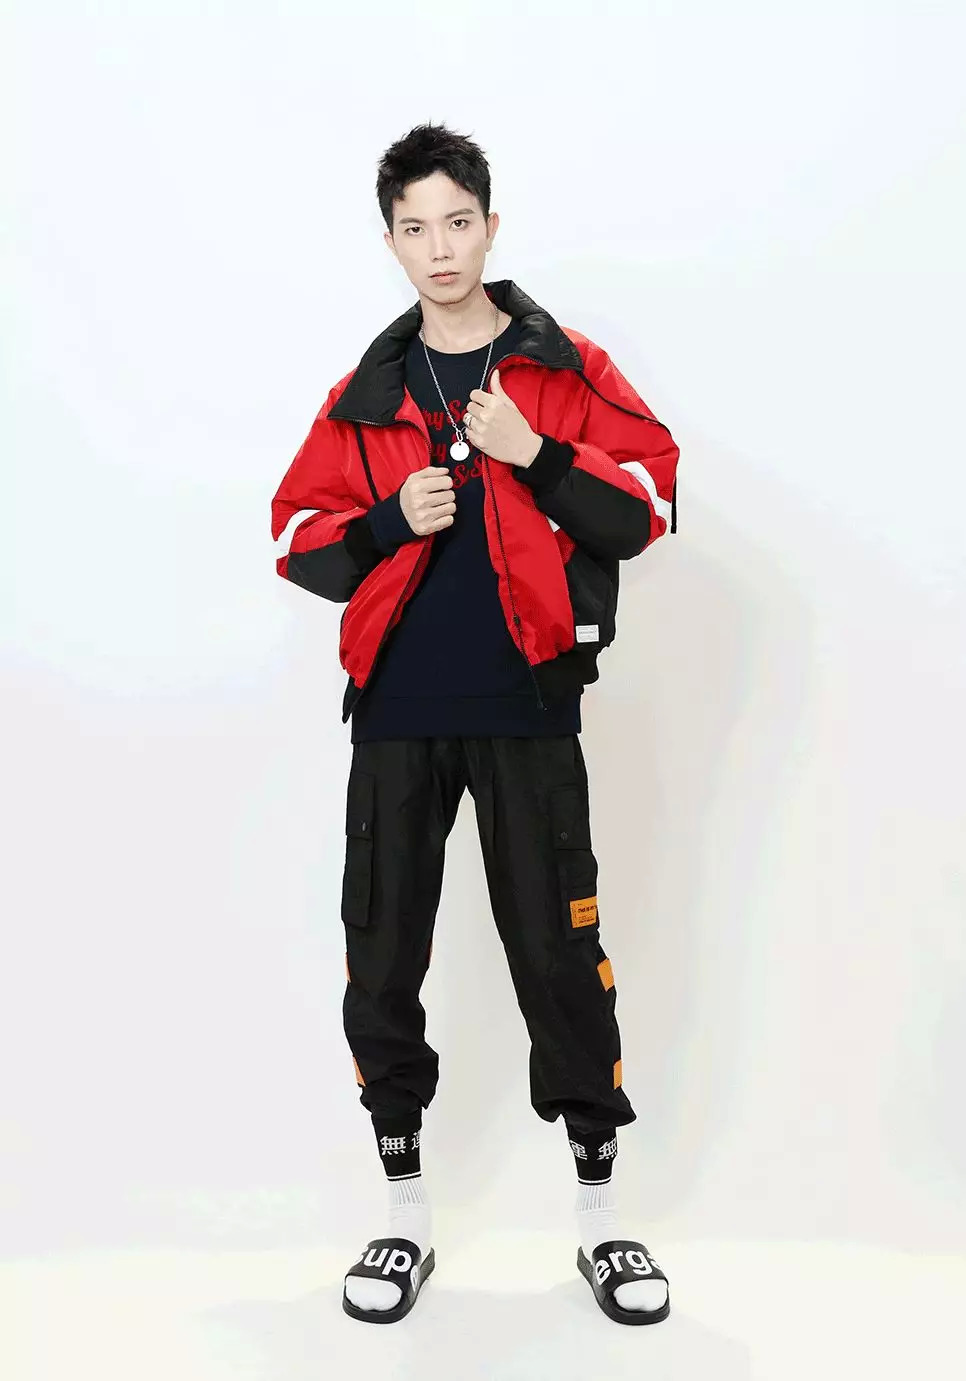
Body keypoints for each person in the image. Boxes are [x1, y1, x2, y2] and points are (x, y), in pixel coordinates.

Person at [271, 122, 680, 1326]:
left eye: (458, 222)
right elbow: (297, 541)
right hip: (397, 714)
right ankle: (404, 1217)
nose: (439, 248)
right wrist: (388, 519)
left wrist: (536, 453)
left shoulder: (563, 365)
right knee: (384, 954)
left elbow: (647, 503)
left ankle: (602, 1222)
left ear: (490, 228)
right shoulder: (367, 393)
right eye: (415, 228)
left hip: (527, 708)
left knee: (557, 956)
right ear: (391, 243)